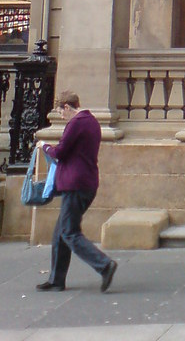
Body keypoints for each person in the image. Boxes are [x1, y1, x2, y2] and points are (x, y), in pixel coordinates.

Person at [36, 90, 117, 293]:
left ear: (67, 107)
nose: (62, 117)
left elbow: (60, 152)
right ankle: (56, 280)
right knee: (59, 233)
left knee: (69, 233)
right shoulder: (92, 121)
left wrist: (44, 146)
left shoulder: (77, 122)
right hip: (85, 183)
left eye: (61, 112)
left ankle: (104, 264)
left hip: (75, 185)